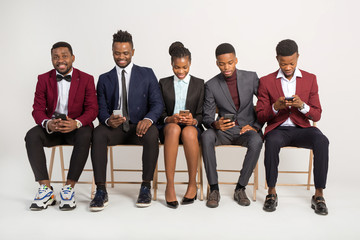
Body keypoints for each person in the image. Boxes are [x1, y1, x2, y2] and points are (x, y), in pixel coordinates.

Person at [90, 30, 163, 211]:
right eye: (117, 53)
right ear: (112, 52)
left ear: (133, 52)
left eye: (125, 53)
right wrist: (107, 121)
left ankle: (145, 186)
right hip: (115, 129)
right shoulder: (104, 79)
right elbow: (101, 108)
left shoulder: (147, 74)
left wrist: (148, 119)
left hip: (139, 127)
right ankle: (100, 190)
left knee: (153, 133)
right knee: (98, 133)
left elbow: (157, 103)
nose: (121, 57)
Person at [256, 39, 329, 215]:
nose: (288, 67)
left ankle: (318, 194)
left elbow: (317, 114)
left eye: (292, 63)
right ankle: (271, 192)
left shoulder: (310, 79)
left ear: (297, 57)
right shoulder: (266, 81)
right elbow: (260, 115)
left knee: (322, 141)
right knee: (271, 143)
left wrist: (302, 105)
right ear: (277, 59)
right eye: (283, 63)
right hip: (278, 129)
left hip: (302, 128)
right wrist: (275, 107)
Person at [25, 42, 98, 211]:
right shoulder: (43, 79)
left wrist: (76, 123)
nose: (60, 60)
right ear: (52, 60)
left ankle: (68, 188)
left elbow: (92, 109)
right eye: (55, 57)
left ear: (72, 58)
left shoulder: (86, 79)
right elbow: (37, 109)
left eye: (64, 56)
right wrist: (48, 123)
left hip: (75, 128)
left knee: (86, 134)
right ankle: (46, 189)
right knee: (31, 135)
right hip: (52, 129)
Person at [202, 43, 263, 208]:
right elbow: (207, 116)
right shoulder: (211, 85)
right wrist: (216, 123)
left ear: (236, 60)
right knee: (206, 136)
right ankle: (214, 189)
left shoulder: (251, 78)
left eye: (229, 62)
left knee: (257, 140)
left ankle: (240, 188)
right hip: (224, 132)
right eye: (222, 64)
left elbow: (264, 104)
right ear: (217, 63)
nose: (226, 67)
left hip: (245, 130)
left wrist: (256, 127)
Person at [158, 42, 204, 209]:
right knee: (173, 129)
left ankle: (192, 184)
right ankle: (170, 185)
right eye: (177, 67)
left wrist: (193, 120)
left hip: (191, 126)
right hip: (170, 126)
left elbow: (201, 114)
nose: (181, 71)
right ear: (171, 65)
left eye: (184, 67)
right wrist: (169, 119)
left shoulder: (199, 84)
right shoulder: (163, 83)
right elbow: (160, 112)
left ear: (190, 64)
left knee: (189, 133)